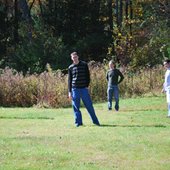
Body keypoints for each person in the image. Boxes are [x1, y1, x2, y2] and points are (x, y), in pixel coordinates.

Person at [68, 52, 100, 127]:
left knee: (89, 106)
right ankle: (78, 123)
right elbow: (69, 80)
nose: (74, 58)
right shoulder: (70, 67)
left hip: (83, 89)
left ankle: (95, 122)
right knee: (76, 107)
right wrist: (69, 92)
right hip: (75, 89)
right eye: (73, 57)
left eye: (75, 57)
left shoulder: (84, 64)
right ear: (71, 58)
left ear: (78, 57)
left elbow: (88, 76)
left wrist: (87, 86)